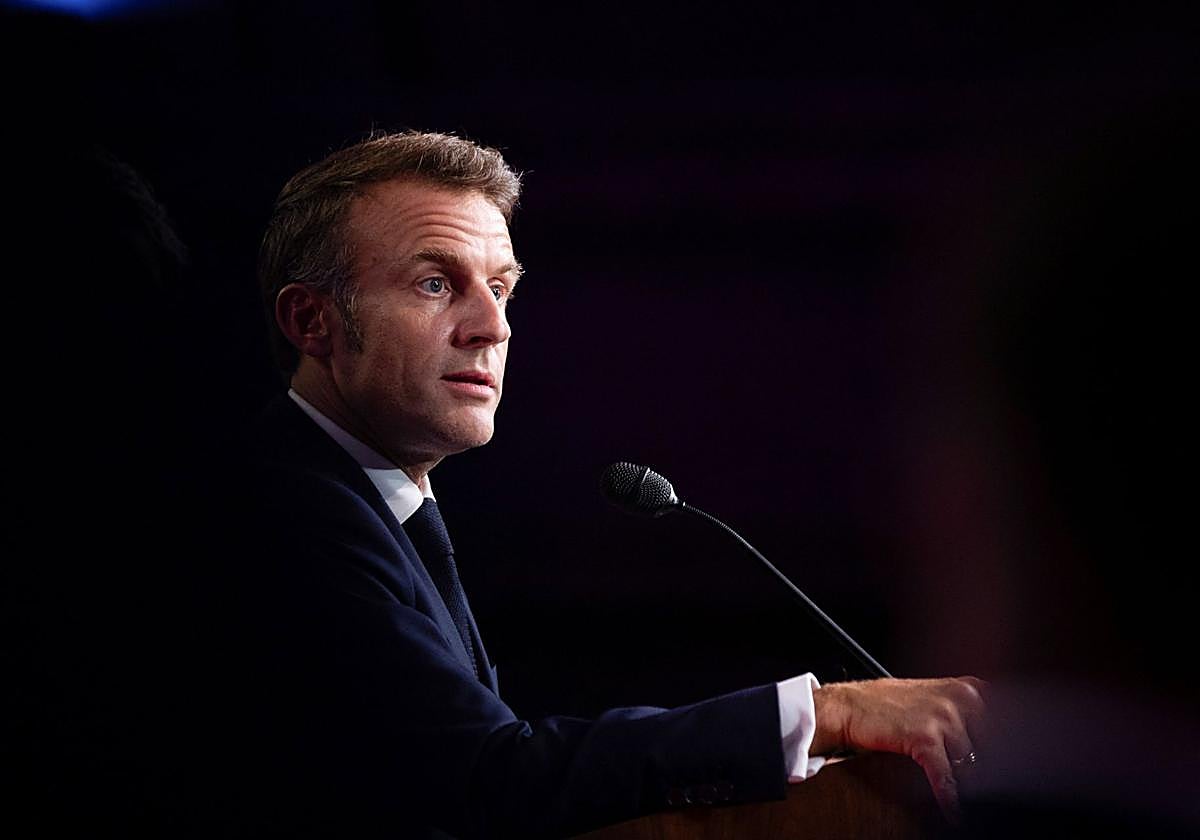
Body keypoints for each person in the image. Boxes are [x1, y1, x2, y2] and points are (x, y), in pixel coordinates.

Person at [204, 130, 985, 839]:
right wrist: (828, 710)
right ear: (312, 323)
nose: (493, 326)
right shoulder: (285, 505)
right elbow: (485, 777)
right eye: (436, 284)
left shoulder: (365, 493)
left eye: (501, 287)